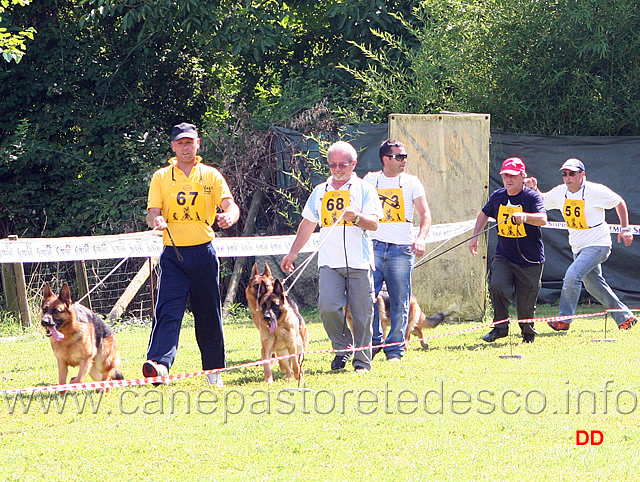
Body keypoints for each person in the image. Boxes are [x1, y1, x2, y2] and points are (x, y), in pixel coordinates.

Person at [144, 122, 240, 387]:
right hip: (173, 254)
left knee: (208, 312)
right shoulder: (161, 177)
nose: (185, 147)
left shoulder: (210, 175)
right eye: (180, 143)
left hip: (204, 253)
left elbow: (230, 204)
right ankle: (159, 365)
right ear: (173, 147)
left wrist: (230, 216)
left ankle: (213, 369)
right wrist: (157, 220)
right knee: (168, 310)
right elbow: (153, 210)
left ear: (198, 144)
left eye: (190, 142)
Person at [281, 141, 382, 372]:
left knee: (362, 313)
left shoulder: (364, 189)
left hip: (359, 261)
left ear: (353, 164)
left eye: (342, 165)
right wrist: (293, 252)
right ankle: (342, 347)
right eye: (333, 165)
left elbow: (375, 223)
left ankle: (362, 362)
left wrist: (356, 217)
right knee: (328, 308)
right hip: (328, 262)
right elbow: (308, 223)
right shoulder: (320, 191)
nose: (337, 169)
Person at [526, 158, 636, 331]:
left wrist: (625, 229)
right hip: (578, 246)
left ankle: (564, 319)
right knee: (593, 286)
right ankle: (625, 317)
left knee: (572, 276)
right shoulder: (561, 191)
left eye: (572, 173)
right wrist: (534, 189)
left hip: (599, 244)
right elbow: (543, 201)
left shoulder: (595, 190)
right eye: (565, 174)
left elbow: (619, 202)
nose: (567, 177)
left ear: (582, 174)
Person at [363, 138, 439, 361]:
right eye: (400, 156)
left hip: (402, 250)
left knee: (400, 300)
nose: (404, 160)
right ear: (386, 159)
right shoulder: (370, 180)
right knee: (369, 297)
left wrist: (421, 238)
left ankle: (395, 348)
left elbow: (425, 214)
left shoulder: (412, 182)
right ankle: (375, 341)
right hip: (373, 248)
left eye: (405, 156)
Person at [468, 157, 547, 343]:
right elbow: (483, 214)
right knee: (497, 286)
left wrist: (525, 217)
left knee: (525, 302)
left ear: (522, 176)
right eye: (505, 176)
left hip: (530, 259)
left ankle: (528, 333)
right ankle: (500, 328)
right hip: (504, 256)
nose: (508, 179)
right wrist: (475, 237)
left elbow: (543, 219)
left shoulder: (532, 197)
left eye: (512, 175)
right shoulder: (498, 196)